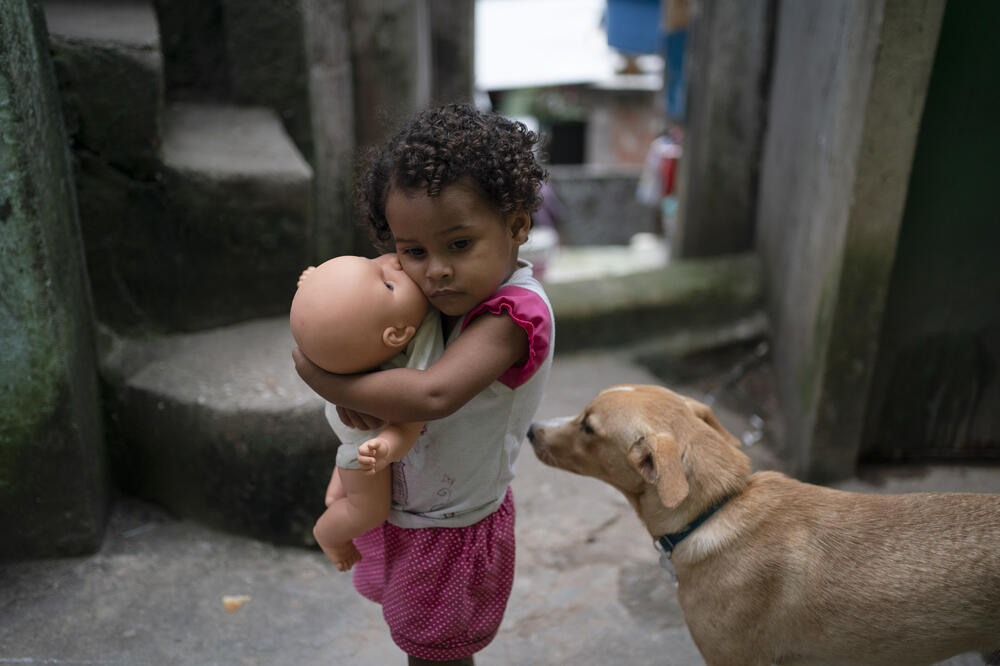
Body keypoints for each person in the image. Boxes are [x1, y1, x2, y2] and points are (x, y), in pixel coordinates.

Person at [292, 103, 554, 665]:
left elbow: (432, 396)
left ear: (516, 226)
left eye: (458, 245)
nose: (433, 270)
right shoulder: (439, 293)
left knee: (436, 654)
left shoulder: (514, 316)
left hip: (451, 525)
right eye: (413, 251)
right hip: (407, 506)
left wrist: (325, 379)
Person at [289, 253, 442, 572]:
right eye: (388, 283)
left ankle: (335, 495)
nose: (395, 265)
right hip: (363, 440)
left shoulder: (394, 315)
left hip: (349, 429)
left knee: (346, 470)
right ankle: (328, 534)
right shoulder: (418, 346)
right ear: (396, 334)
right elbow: (408, 422)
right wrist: (387, 447)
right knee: (367, 511)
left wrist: (316, 281)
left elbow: (366, 273)